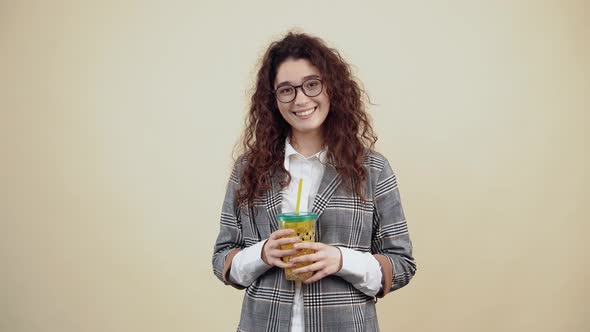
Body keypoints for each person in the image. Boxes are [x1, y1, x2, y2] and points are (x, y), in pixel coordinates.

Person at [212, 31, 416, 332]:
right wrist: (262, 253)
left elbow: (401, 265)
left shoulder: (372, 169)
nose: (301, 99)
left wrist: (341, 260)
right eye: (286, 90)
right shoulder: (248, 169)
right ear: (273, 100)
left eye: (311, 84)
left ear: (331, 87)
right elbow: (222, 259)